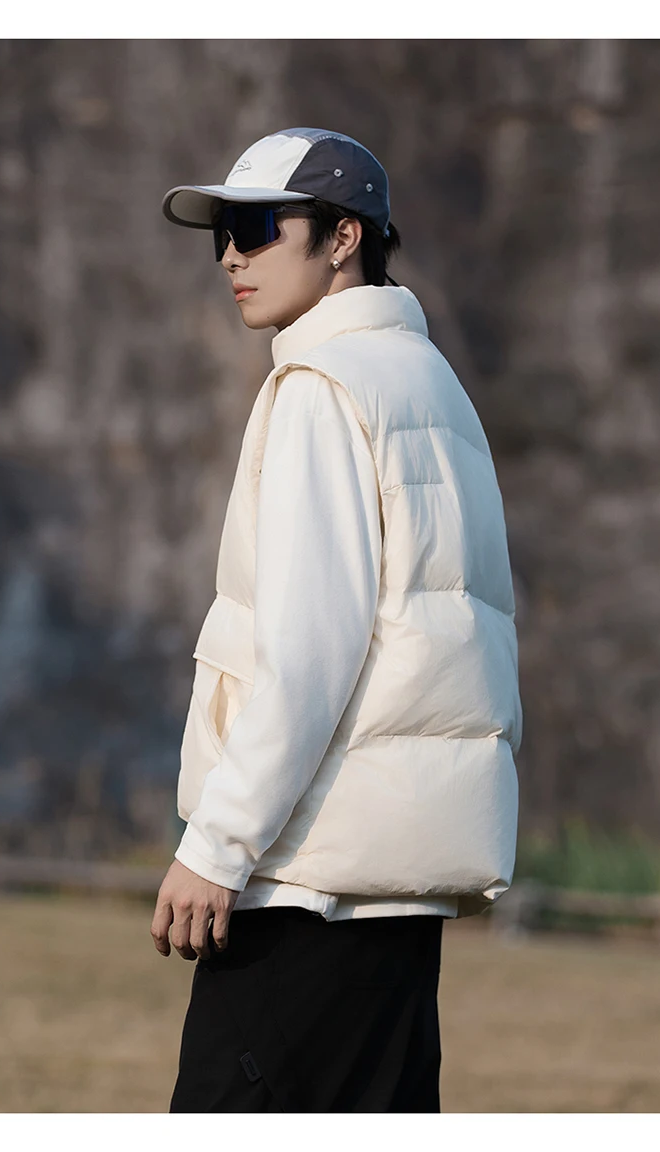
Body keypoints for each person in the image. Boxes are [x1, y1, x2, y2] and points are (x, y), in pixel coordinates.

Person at [152, 127, 522, 1113]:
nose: (231, 256)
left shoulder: (321, 388)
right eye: (222, 234)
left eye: (257, 228)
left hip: (307, 884)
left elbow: (310, 653)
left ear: (344, 236)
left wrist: (215, 847)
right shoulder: (428, 381)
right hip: (394, 886)